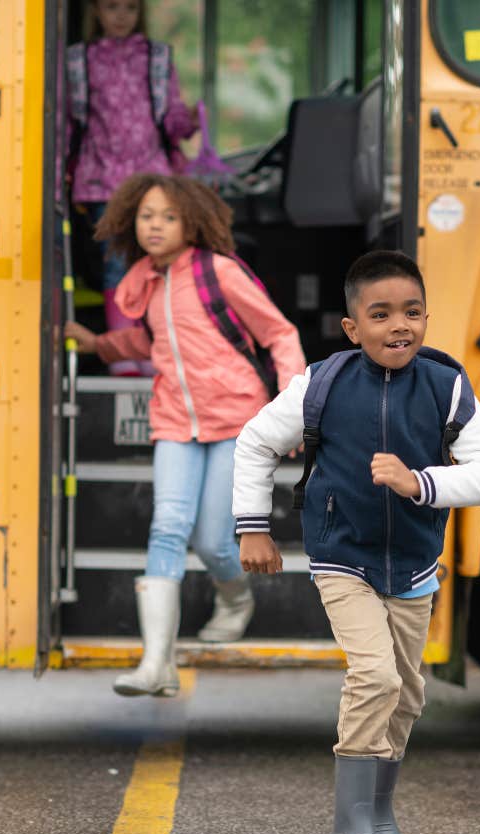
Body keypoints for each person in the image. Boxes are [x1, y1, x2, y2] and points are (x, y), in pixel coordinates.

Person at [232, 250, 480, 834]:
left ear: (428, 318)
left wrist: (421, 483)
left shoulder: (446, 385)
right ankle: (351, 828)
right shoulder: (323, 384)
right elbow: (255, 443)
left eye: (412, 312)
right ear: (353, 328)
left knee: (408, 694)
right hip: (343, 555)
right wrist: (252, 528)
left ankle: (380, 817)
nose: (399, 326)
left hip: (413, 562)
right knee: (377, 676)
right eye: (380, 315)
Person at [65, 173, 306, 697]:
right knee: (168, 526)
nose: (155, 225)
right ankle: (156, 664)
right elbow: (151, 339)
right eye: (147, 215)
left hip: (236, 419)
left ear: (191, 222)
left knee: (215, 540)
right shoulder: (148, 281)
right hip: (175, 418)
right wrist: (98, 345)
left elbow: (280, 333)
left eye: (168, 217)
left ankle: (236, 597)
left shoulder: (219, 273)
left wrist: (290, 409)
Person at [66, 0, 198, 375]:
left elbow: (170, 116)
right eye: (111, 7)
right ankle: (122, 354)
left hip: (151, 179)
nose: (121, 16)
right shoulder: (80, 60)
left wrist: (186, 123)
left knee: (156, 262)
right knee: (115, 266)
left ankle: (152, 348)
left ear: (140, 12)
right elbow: (69, 122)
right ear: (96, 12)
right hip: (100, 179)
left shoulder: (156, 58)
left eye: (129, 8)